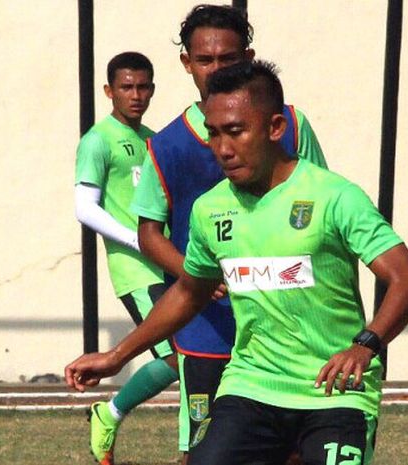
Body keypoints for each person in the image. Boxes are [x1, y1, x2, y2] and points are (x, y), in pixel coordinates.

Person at [67, 60, 408, 465]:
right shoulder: (211, 209)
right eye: (214, 134)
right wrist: (117, 356)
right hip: (252, 388)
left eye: (236, 131)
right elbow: (189, 292)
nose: (222, 148)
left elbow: (407, 281)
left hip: (335, 393)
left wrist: (366, 345)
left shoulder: (335, 197)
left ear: (275, 128)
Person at [129, 4, 327, 459]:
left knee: (293, 450)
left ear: (250, 58)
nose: (215, 69)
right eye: (204, 59)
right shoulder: (166, 145)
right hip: (208, 329)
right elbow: (149, 232)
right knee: (202, 450)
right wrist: (200, 277)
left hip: (288, 327)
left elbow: (324, 208)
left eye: (228, 59)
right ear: (186, 63)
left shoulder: (290, 125)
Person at [74, 51, 179, 465]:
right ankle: (109, 412)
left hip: (172, 264)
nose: (136, 95)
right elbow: (85, 208)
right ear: (109, 91)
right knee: (177, 355)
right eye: (126, 87)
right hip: (137, 269)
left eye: (143, 87)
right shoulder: (97, 140)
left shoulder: (153, 138)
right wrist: (142, 242)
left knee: (198, 355)